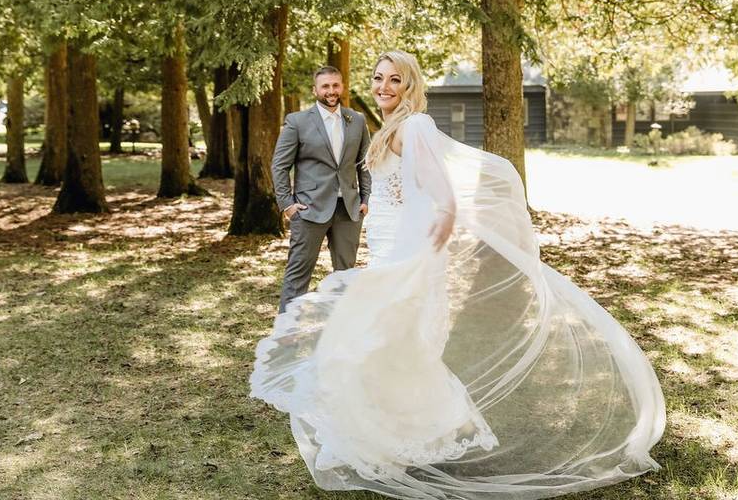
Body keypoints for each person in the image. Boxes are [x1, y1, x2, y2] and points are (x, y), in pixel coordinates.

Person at [251, 51, 666, 499]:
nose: (384, 86)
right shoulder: (389, 126)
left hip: (405, 255)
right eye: (378, 78)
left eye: (395, 80)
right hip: (389, 247)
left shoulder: (415, 126)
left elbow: (439, 192)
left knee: (367, 342)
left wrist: (439, 226)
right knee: (391, 348)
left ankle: (399, 436)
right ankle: (402, 437)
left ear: (410, 86)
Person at [270, 65, 371, 314]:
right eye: (325, 86)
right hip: (309, 210)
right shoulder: (297, 122)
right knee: (297, 276)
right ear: (315, 89)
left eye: (335, 85)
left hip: (348, 210)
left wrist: (366, 198)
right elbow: (279, 166)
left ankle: (342, 333)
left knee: (346, 277)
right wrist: (288, 205)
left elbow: (364, 164)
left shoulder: (356, 120)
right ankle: (287, 338)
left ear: (342, 87)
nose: (331, 91)